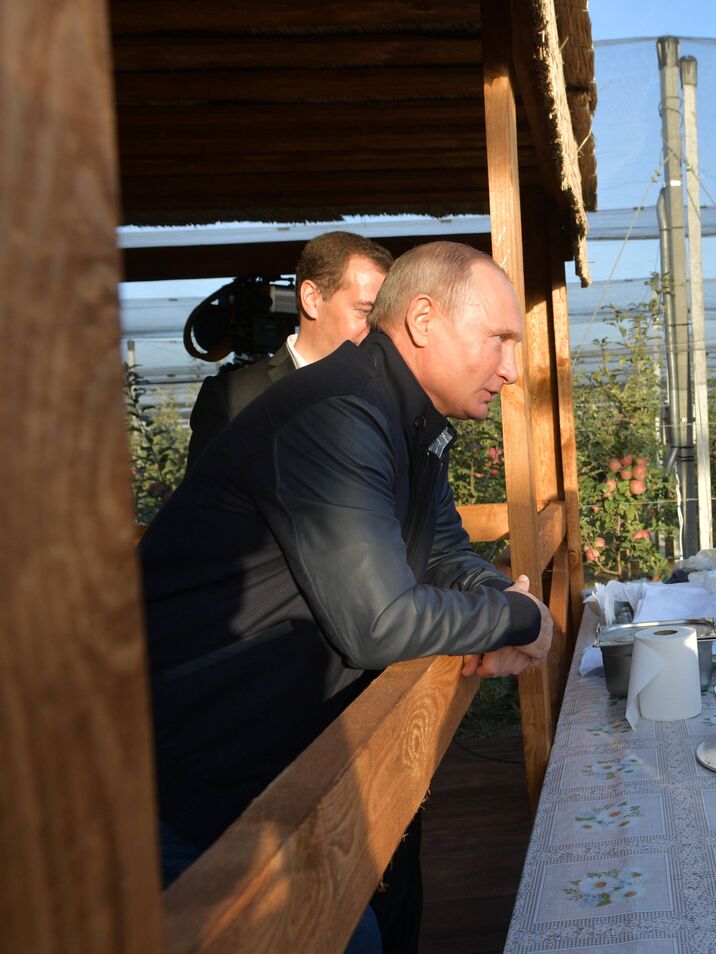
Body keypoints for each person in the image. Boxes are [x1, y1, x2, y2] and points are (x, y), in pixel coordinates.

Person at [141, 241, 552, 952]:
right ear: (423, 319)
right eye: (499, 340)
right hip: (196, 775)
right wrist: (520, 616)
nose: (512, 370)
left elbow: (446, 553)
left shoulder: (405, 418)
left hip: (271, 759)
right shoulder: (339, 412)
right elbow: (382, 621)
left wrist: (498, 605)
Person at [186, 230, 394, 466]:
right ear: (311, 299)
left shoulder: (390, 397)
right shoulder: (235, 399)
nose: (376, 330)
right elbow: (203, 501)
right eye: (365, 312)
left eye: (381, 318)